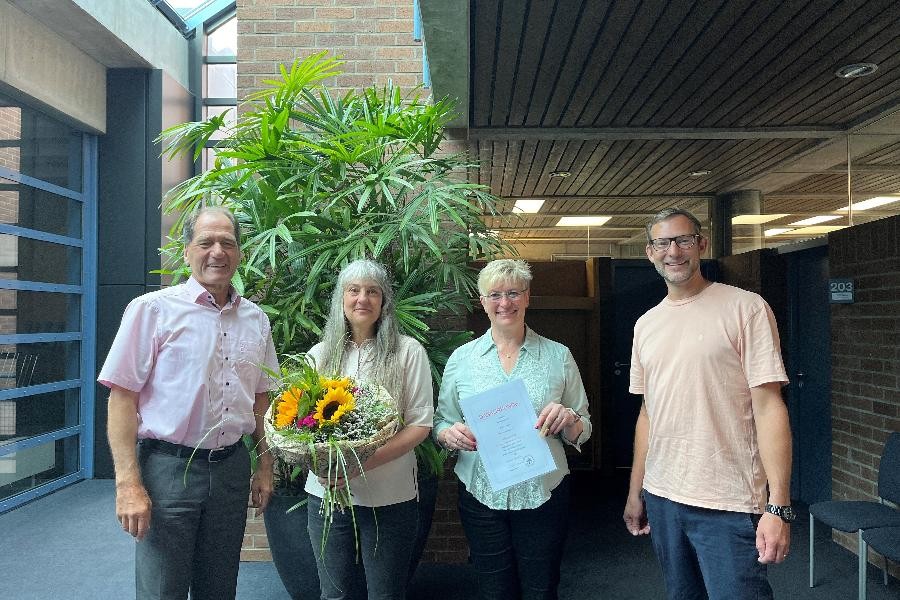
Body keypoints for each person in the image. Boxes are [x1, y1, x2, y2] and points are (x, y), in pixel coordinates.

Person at [98, 206, 278, 600]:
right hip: (169, 470)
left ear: (240, 254)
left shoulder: (256, 319)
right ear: (186, 252)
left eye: (227, 243)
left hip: (231, 469)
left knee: (220, 586)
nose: (217, 251)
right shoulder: (152, 310)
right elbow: (122, 398)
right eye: (206, 242)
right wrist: (127, 484)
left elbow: (262, 399)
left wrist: (266, 465)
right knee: (164, 588)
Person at [622, 207, 794, 600]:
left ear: (700, 245)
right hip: (663, 496)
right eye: (663, 243)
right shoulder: (645, 324)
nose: (674, 252)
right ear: (650, 252)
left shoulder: (745, 308)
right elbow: (649, 412)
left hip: (727, 500)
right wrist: (636, 491)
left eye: (683, 240)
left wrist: (779, 506)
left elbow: (770, 408)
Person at [434, 258, 591, 600]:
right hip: (481, 494)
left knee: (541, 588)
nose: (505, 303)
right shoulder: (462, 359)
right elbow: (442, 421)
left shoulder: (558, 356)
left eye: (513, 293)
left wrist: (570, 420)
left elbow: (584, 425)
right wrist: (449, 434)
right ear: (482, 302)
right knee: (494, 591)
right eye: (495, 295)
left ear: (528, 297)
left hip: (543, 492)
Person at [305, 259, 434, 600]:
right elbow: (301, 428)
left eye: (372, 292)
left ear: (384, 302)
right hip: (327, 497)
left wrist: (360, 464)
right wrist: (319, 465)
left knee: (386, 594)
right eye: (354, 290)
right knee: (334, 595)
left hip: (390, 496)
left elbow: (421, 424)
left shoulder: (409, 353)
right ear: (341, 299)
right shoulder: (318, 356)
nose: (363, 298)